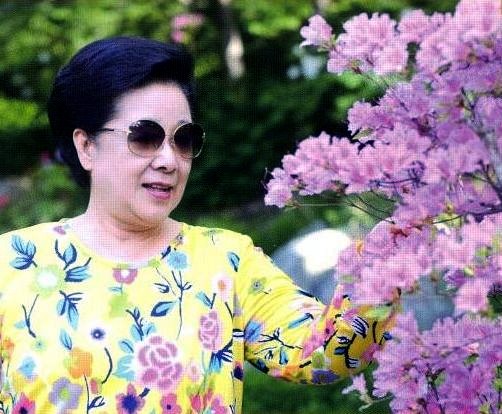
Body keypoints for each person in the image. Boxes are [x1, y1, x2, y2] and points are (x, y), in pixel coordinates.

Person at [0, 37, 394, 413]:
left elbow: (324, 354)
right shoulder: (11, 263)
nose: (169, 160)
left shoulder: (227, 261)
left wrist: (386, 260)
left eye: (183, 139)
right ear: (87, 146)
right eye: (145, 137)